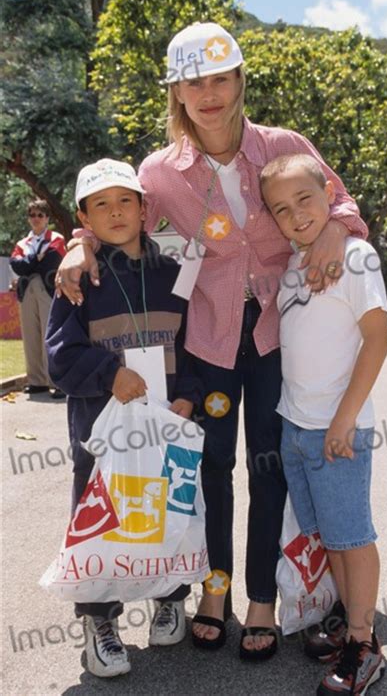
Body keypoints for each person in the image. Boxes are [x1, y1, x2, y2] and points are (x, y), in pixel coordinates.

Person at [55, 22, 369, 660]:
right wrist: (76, 242)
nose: (209, 94)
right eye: (193, 81)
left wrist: (338, 228)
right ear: (176, 91)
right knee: (210, 469)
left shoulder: (282, 144)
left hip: (280, 336)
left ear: (239, 80)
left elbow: (339, 205)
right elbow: (122, 228)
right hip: (209, 342)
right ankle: (213, 592)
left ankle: (263, 600)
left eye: (220, 77)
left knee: (272, 468)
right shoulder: (159, 172)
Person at [46, 159, 202, 678]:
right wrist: (109, 373)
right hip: (102, 433)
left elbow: (196, 345)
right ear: (83, 216)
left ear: (145, 209)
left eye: (125, 201)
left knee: (169, 512)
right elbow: (61, 358)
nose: (115, 211)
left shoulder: (174, 276)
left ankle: (171, 598)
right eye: (101, 204)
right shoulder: (77, 278)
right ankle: (100, 621)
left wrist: (191, 396)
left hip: (165, 425)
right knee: (102, 525)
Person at [260, 153, 387, 693]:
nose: (296, 215)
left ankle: (364, 642)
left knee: (351, 537)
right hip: (297, 427)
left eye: (305, 200)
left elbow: (377, 339)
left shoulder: (354, 257)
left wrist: (344, 419)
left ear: (329, 195)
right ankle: (348, 625)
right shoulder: (293, 267)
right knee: (330, 538)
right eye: (281, 209)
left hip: (338, 430)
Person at [9, 199, 66, 398]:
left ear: (47, 218)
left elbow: (52, 261)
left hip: (48, 288)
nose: (36, 219)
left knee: (50, 335)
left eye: (40, 215)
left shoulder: (56, 238)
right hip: (26, 290)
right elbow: (17, 266)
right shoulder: (22, 243)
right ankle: (37, 380)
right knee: (31, 335)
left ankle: (57, 381)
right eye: (32, 215)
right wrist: (36, 259)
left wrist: (29, 262)